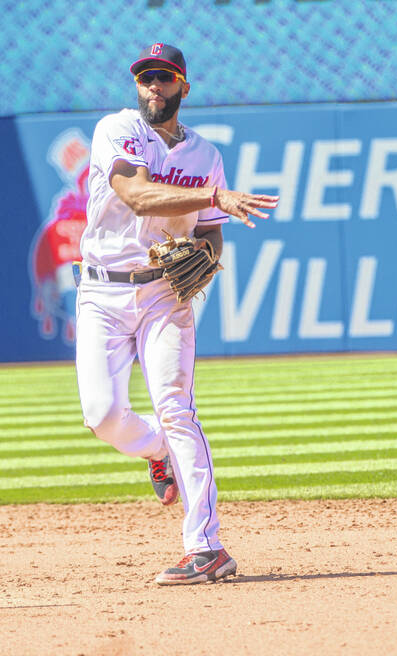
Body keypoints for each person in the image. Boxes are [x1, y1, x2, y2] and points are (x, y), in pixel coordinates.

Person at [74, 43, 278, 585]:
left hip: (166, 293)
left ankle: (206, 547)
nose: (153, 88)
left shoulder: (205, 154)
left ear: (184, 86)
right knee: (102, 415)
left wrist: (207, 253)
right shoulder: (116, 130)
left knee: (176, 406)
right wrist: (215, 196)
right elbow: (137, 196)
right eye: (145, 78)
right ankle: (156, 451)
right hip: (101, 293)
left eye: (164, 78)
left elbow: (211, 232)